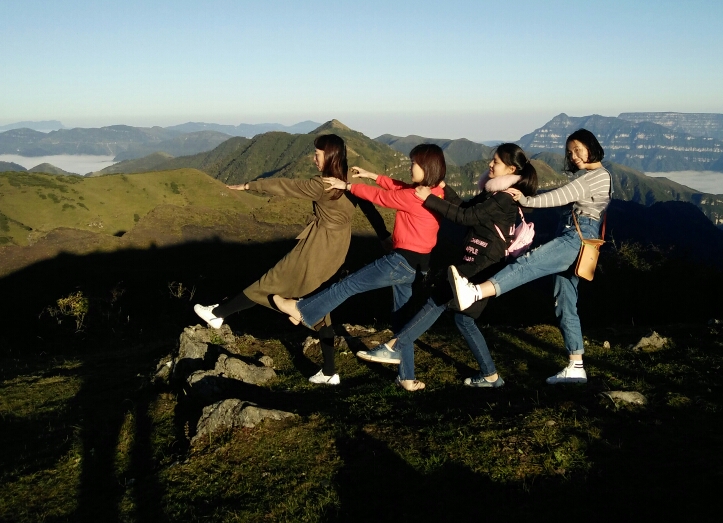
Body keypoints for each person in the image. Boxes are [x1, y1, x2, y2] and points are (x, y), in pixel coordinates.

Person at [192, 134, 388, 386]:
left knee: (271, 280)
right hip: (339, 247)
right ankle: (329, 370)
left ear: (329, 156)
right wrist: (383, 235)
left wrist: (249, 186)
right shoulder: (350, 179)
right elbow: (370, 207)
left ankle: (218, 314)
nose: (313, 158)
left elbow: (285, 186)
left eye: (317, 154)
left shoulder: (323, 185)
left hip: (317, 247)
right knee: (321, 302)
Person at [356, 144, 538, 390]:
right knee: (464, 319)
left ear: (511, 168)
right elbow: (465, 209)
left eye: (495, 161)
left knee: (440, 296)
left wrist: (429, 199)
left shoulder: (504, 197)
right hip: (477, 259)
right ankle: (491, 377)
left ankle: (395, 347)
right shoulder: (494, 193)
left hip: (484, 263)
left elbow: (465, 218)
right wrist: (443, 188)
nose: (490, 164)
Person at [273, 144, 447, 391]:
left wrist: (348, 186)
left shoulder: (413, 197)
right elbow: (397, 186)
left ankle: (303, 310)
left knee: (348, 284)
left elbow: (382, 198)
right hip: (418, 265)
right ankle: (407, 378)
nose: (410, 167)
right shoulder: (434, 193)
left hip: (401, 262)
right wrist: (373, 176)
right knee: (401, 320)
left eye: (414, 164)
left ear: (427, 167)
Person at [449, 129, 612, 384]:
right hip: (576, 236)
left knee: (529, 264)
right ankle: (576, 365)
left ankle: (475, 292)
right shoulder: (590, 176)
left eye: (578, 149)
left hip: (575, 238)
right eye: (570, 152)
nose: (574, 156)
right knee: (565, 301)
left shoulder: (597, 176)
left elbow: (563, 195)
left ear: (591, 146)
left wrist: (527, 199)